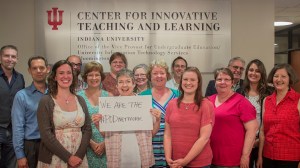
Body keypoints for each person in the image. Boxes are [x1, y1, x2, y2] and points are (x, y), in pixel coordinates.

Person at [99, 69, 161, 167]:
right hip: (117, 155)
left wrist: (158, 120)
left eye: (128, 81)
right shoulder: (109, 106)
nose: (124, 85)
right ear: (117, 86)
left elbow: (152, 133)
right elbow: (104, 134)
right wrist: (97, 123)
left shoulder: (143, 103)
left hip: (140, 154)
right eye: (121, 82)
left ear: (134, 84)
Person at [36, 60, 91, 167]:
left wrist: (79, 156)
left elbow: (87, 128)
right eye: (61, 73)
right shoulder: (46, 101)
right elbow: (46, 134)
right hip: (55, 157)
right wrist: (68, 157)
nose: (65, 76)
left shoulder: (80, 99)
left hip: (79, 157)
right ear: (55, 77)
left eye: (69, 72)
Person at [164, 67, 214, 168]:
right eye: (185, 79)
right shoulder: (171, 104)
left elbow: (204, 138)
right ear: (181, 81)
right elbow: (167, 135)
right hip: (175, 162)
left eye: (192, 80)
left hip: (200, 163)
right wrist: (168, 158)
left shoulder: (206, 105)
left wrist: (185, 161)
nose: (188, 83)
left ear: (198, 82)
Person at [208, 68, 258, 168]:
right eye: (219, 79)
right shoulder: (208, 100)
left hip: (232, 160)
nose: (223, 82)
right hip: (210, 157)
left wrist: (245, 156)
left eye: (226, 79)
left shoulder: (241, 102)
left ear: (232, 83)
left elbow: (252, 130)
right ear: (215, 82)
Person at [257, 64, 300, 168]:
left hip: (291, 158)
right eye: (276, 76)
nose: (279, 79)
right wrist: (259, 156)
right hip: (268, 157)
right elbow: (263, 131)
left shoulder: (298, 100)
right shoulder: (267, 100)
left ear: (290, 79)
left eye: (283, 76)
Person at [140, 59, 179, 167]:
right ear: (150, 76)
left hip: (174, 144)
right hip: (151, 146)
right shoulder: (142, 97)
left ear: (167, 75)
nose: (159, 76)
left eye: (162, 73)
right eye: (155, 73)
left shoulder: (178, 95)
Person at [11, 56, 49, 168]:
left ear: (47, 69)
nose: (38, 71)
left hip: (53, 145)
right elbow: (18, 127)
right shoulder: (21, 96)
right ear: (29, 71)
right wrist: (20, 155)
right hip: (32, 146)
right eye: (34, 68)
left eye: (41, 68)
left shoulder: (55, 93)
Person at [77, 61, 113, 168]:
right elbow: (77, 124)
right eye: (90, 75)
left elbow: (114, 124)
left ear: (101, 76)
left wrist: (105, 143)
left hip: (108, 146)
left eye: (97, 75)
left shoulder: (109, 96)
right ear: (85, 77)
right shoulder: (78, 97)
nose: (94, 78)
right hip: (85, 146)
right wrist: (90, 142)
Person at [241, 59, 274, 168]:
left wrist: (260, 139)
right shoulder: (240, 92)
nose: (253, 73)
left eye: (257, 71)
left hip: (263, 141)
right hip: (244, 140)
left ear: (262, 74)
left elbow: (272, 118)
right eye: (251, 70)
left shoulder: (270, 92)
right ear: (247, 72)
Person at [0, 45, 25, 168]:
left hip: (13, 130)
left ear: (17, 59)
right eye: (6, 55)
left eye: (13, 56)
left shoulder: (20, 78)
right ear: (0, 57)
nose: (10, 59)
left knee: (9, 164)